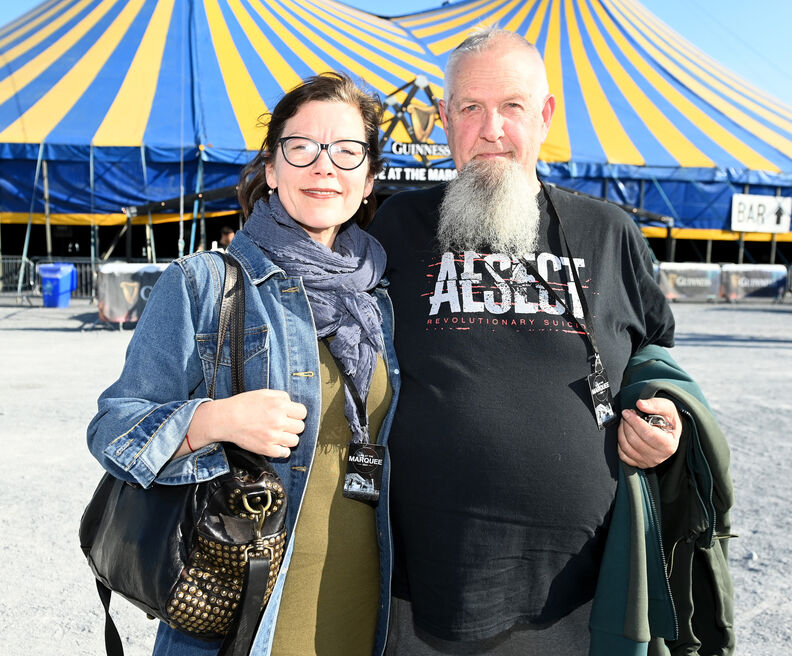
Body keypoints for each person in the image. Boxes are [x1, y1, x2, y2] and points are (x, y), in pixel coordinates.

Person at [370, 28, 690, 655]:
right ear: (443, 119)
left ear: (544, 116)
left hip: (579, 595)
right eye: (470, 107)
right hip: (417, 592)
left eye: (512, 106)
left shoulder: (609, 232)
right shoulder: (392, 227)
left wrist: (667, 423)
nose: (491, 128)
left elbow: (657, 360)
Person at [87, 72, 399, 656]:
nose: (323, 166)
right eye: (301, 147)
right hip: (242, 613)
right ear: (273, 170)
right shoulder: (204, 283)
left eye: (346, 151)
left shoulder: (383, 297)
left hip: (369, 606)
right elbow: (113, 428)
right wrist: (213, 421)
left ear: (367, 182)